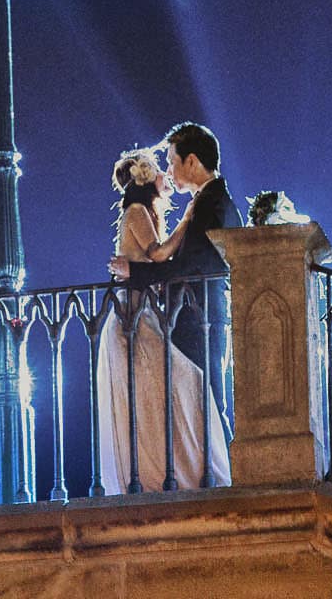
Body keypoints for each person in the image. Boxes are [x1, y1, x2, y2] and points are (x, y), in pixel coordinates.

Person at [96, 147, 231, 494]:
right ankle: (170, 473)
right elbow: (158, 254)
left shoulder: (145, 212)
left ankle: (179, 469)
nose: (166, 175)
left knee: (165, 391)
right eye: (161, 170)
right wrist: (187, 221)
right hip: (133, 318)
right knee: (177, 384)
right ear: (146, 178)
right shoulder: (137, 211)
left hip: (145, 313)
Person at [108, 122, 243, 445]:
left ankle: (224, 477)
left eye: (171, 161)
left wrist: (136, 274)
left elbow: (190, 267)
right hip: (193, 315)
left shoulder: (211, 204)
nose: (168, 170)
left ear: (192, 161)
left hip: (200, 316)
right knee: (195, 398)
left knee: (207, 398)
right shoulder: (208, 201)